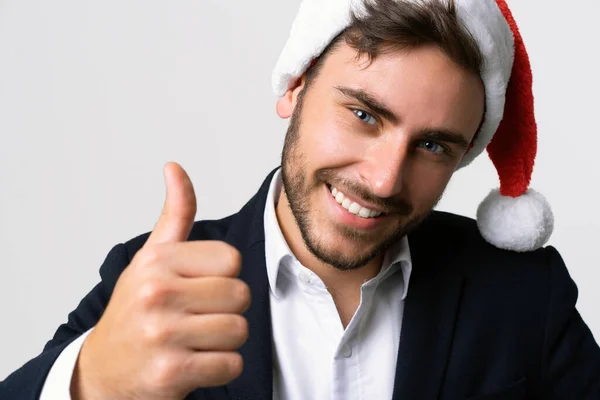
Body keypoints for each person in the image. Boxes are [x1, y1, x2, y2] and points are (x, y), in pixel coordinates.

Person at [2, 0, 599, 398]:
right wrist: (92, 381)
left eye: (434, 147)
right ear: (295, 86)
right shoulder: (157, 279)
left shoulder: (525, 294)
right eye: (364, 114)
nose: (385, 180)